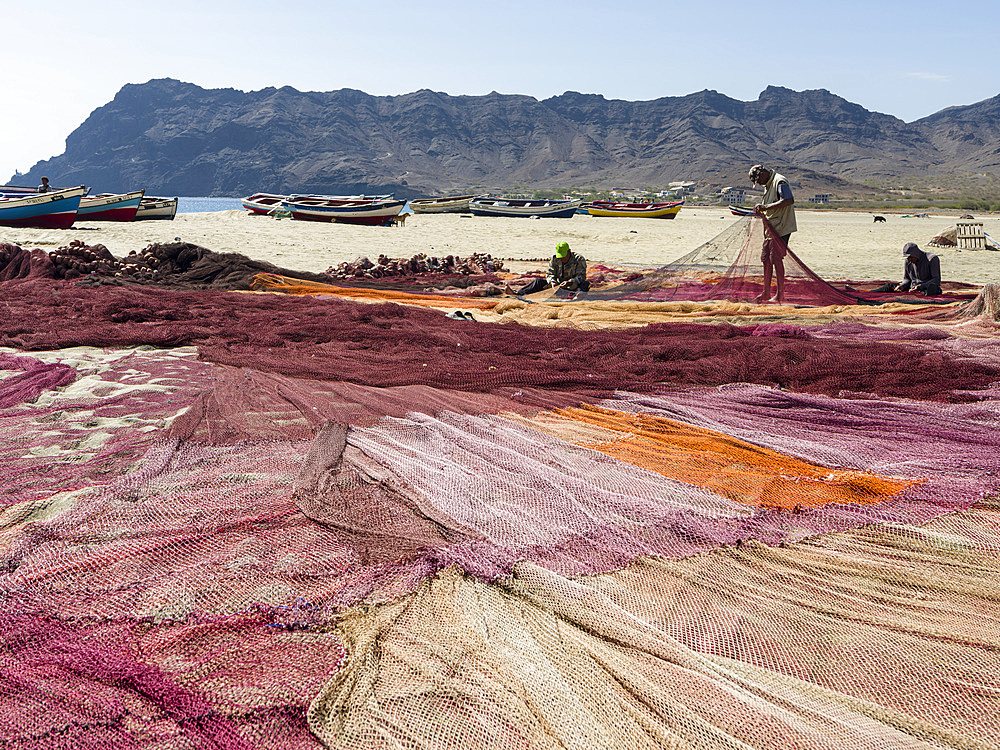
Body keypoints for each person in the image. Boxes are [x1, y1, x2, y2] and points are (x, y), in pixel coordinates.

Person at [749, 164, 797, 302]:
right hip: (771, 228)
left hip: (781, 227)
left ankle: (780, 294)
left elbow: (788, 200)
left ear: (763, 174)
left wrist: (765, 207)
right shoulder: (769, 185)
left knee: (776, 259)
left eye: (758, 181)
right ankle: (766, 292)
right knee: (766, 259)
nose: (759, 184)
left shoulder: (779, 181)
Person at [508, 241, 589, 296]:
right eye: (560, 256)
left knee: (585, 284)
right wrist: (552, 282)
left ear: (569, 251)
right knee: (537, 282)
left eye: (564, 256)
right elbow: (550, 273)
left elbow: (581, 276)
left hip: (573, 287)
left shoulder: (579, 259)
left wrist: (570, 282)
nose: (562, 258)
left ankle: (576, 298)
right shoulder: (555, 259)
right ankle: (518, 293)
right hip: (558, 287)